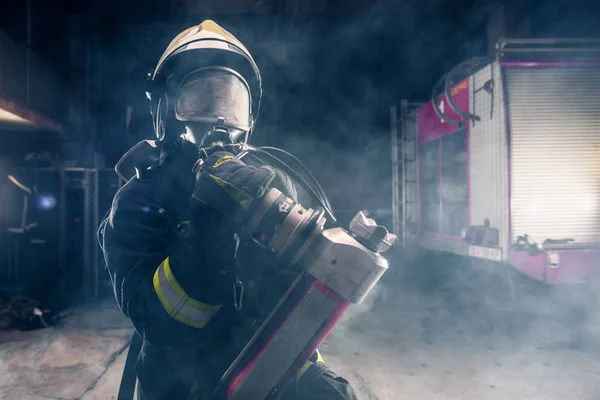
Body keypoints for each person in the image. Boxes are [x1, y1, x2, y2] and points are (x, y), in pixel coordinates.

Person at [99, 20, 357, 400]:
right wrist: (211, 224)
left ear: (249, 119)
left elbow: (297, 297)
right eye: (201, 98)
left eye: (230, 101)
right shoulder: (140, 200)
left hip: (263, 370)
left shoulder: (269, 182)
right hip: (180, 385)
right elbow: (163, 323)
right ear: (168, 110)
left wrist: (308, 372)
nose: (218, 120)